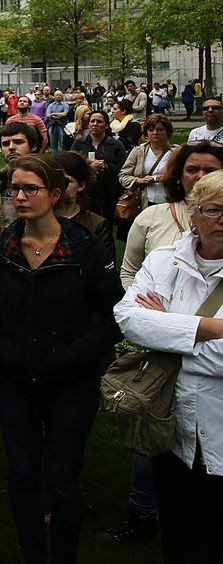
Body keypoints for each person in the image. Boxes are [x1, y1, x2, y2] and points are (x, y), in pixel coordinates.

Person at [0, 155, 123, 564]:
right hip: (14, 381)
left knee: (62, 479)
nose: (19, 197)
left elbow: (114, 316)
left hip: (69, 383)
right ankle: (33, 553)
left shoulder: (84, 248)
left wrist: (72, 356)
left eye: (30, 189)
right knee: (22, 476)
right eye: (14, 189)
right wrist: (0, 349)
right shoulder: (3, 247)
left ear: (55, 195)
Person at [115, 170, 223, 564]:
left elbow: (150, 332)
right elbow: (129, 319)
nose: (222, 219)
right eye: (213, 209)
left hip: (220, 428)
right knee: (179, 534)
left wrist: (167, 329)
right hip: (171, 428)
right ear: (193, 214)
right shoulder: (165, 260)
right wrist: (210, 328)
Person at [123, 141, 223, 286]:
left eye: (210, 171)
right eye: (192, 170)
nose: (200, 176)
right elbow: (129, 272)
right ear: (179, 175)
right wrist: (140, 303)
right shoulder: (150, 217)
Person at [0, 121, 42, 253]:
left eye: (18, 142)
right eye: (5, 144)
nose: (11, 147)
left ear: (33, 146)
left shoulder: (48, 181)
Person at [51, 152, 115, 256]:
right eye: (54, 180)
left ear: (81, 185)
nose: (59, 187)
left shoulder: (96, 225)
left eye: (65, 181)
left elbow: (105, 265)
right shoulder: (38, 218)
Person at [72, 109, 129, 226]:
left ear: (106, 125)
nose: (95, 124)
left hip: (108, 192)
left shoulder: (116, 145)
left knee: (105, 225)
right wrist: (88, 166)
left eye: (99, 121)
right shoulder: (79, 143)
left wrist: (105, 166)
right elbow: (71, 164)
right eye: (92, 121)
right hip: (85, 191)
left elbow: (124, 168)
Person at [120, 113, 177, 210]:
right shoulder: (138, 151)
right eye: (151, 130)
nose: (155, 132)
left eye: (160, 130)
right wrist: (138, 180)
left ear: (167, 132)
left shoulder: (176, 152)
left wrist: (169, 178)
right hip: (144, 202)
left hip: (169, 202)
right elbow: (123, 176)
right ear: (146, 133)